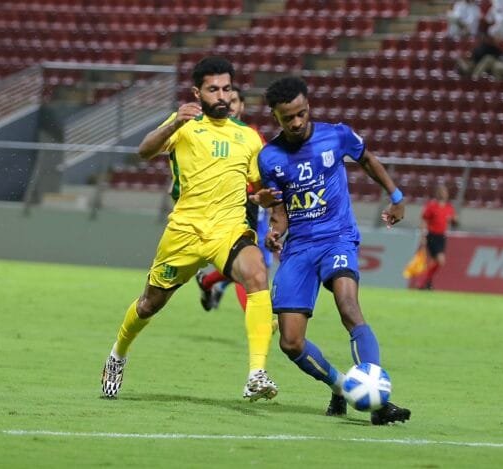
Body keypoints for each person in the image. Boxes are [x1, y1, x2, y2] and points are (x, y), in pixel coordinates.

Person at [100, 57, 279, 401]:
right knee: (149, 304)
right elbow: (144, 152)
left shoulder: (248, 137)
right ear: (197, 93)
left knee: (257, 273)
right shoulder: (184, 124)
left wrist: (264, 198)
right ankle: (118, 353)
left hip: (228, 230)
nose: (222, 96)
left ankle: (256, 373)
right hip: (184, 233)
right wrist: (172, 124)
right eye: (213, 89)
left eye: (227, 88)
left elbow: (257, 188)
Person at [255, 76, 411, 425]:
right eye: (287, 118)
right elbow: (280, 212)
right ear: (275, 117)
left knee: (348, 306)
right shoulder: (269, 158)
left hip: (337, 237)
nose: (297, 122)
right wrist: (274, 233)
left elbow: (367, 159)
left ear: (308, 106)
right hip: (299, 247)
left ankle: (377, 399)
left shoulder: (337, 135)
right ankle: (342, 387)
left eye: (301, 113)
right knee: (290, 342)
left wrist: (396, 196)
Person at [196, 85, 274, 312]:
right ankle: (257, 319)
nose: (229, 105)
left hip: (250, 203)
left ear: (242, 106)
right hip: (220, 203)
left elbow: (265, 171)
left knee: (251, 262)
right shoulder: (207, 134)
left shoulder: (253, 136)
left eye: (234, 101)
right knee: (248, 262)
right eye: (226, 101)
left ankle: (208, 281)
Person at [415, 184, 458, 290]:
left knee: (435, 261)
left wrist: (454, 220)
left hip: (442, 236)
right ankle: (423, 281)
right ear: (437, 194)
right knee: (440, 260)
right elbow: (424, 220)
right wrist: (423, 236)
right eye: (442, 192)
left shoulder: (449, 207)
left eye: (445, 192)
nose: (444, 194)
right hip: (432, 235)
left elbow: (454, 221)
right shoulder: (432, 206)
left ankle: (427, 283)